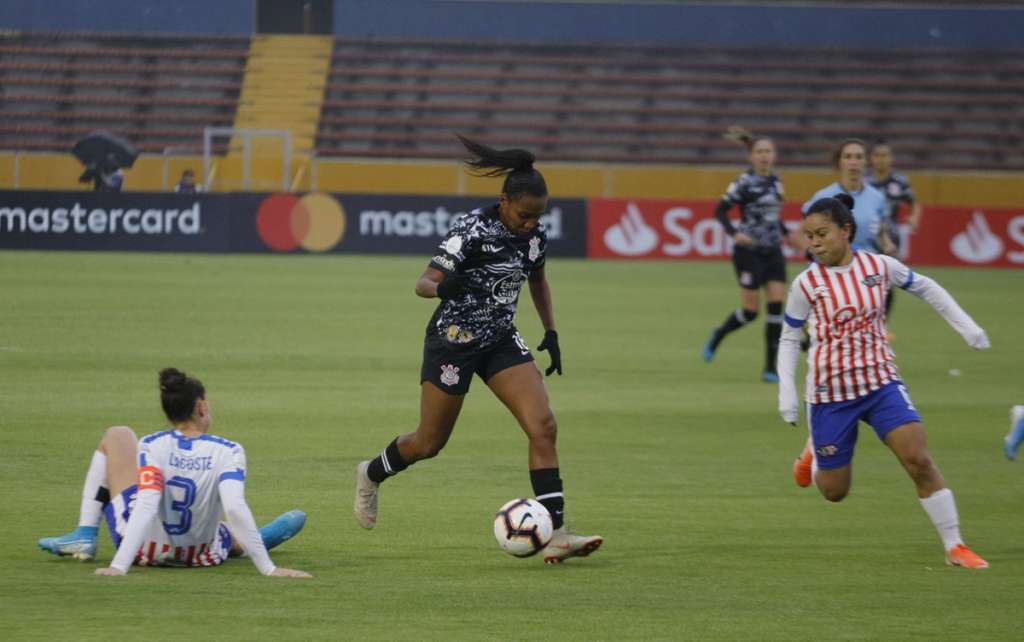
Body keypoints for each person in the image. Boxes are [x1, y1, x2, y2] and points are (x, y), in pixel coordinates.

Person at [352, 134, 602, 565]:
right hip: (454, 343)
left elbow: (538, 280)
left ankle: (557, 532)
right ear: (503, 200)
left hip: (501, 340)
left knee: (543, 426)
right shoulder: (471, 230)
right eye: (524, 215)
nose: (530, 224)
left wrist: (551, 331)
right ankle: (371, 472)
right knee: (429, 443)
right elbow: (423, 283)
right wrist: (446, 285)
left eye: (537, 216)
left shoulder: (534, 236)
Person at [778, 194, 991, 569]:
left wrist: (968, 328)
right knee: (834, 492)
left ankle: (954, 545)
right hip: (831, 395)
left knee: (919, 460)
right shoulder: (807, 284)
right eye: (809, 236)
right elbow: (790, 337)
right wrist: (787, 394)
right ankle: (814, 451)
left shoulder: (878, 266)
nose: (813, 243)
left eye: (821, 234)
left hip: (880, 384)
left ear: (846, 231)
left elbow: (927, 287)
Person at [38, 368, 311, 578]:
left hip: (144, 552)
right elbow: (235, 506)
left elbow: (147, 502)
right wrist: (269, 569)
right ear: (202, 407)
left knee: (118, 435)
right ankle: (251, 543)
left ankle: (85, 534)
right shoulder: (229, 450)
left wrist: (119, 566)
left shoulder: (151, 444)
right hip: (202, 555)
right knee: (217, 524)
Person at [702, 126, 803, 383]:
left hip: (773, 251)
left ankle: (770, 368)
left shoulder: (777, 181)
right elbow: (720, 211)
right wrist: (734, 233)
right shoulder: (743, 182)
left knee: (775, 310)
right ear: (751, 156)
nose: (764, 156)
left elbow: (773, 217)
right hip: (748, 252)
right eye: (759, 151)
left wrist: (787, 234)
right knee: (750, 312)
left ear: (774, 155)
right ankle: (719, 333)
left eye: (768, 151)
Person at [803, 138, 894, 256]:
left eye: (859, 157)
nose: (853, 162)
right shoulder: (822, 196)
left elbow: (881, 232)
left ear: (867, 161)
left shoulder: (877, 198)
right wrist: (812, 253)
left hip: (867, 269)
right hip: (833, 268)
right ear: (839, 161)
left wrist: (888, 244)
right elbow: (801, 234)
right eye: (848, 156)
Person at [868, 140, 923, 322]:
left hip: (891, 239)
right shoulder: (864, 182)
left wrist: (914, 217)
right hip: (868, 238)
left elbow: (914, 202)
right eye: (877, 155)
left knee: (887, 282)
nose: (881, 160)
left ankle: (882, 322)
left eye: (884, 156)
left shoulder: (899, 182)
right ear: (872, 159)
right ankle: (868, 320)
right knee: (868, 280)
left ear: (891, 159)